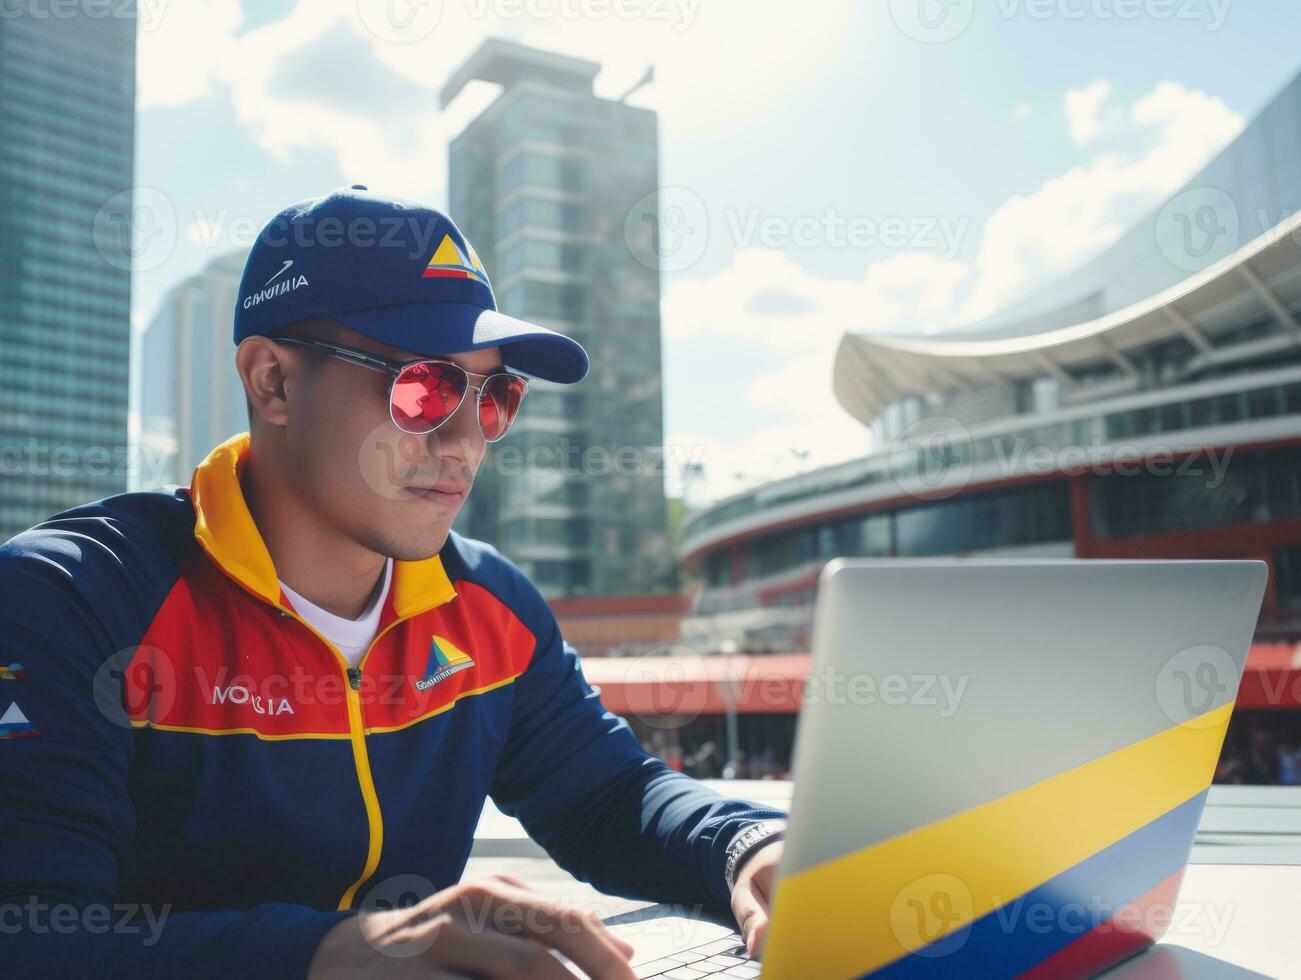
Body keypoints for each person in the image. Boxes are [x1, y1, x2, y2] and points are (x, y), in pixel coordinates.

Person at [0, 186, 789, 978]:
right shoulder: (72, 598)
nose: (461, 441)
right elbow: (32, 936)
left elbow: (610, 798)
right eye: (423, 387)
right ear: (272, 381)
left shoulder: (490, 606)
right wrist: (334, 953)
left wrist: (749, 848)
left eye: (494, 395)